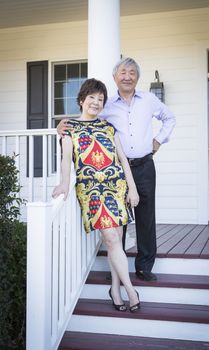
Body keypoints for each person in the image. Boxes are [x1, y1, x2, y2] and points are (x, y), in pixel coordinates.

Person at [57, 57, 176, 281]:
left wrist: (159, 139)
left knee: (146, 216)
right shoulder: (106, 104)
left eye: (132, 73)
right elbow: (87, 123)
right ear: (115, 77)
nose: (127, 77)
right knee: (116, 218)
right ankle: (118, 269)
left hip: (144, 165)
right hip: (116, 171)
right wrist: (62, 128)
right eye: (123, 72)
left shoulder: (149, 99)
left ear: (137, 77)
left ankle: (144, 266)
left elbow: (169, 118)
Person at [52, 78, 140, 312]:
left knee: (116, 242)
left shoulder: (108, 127)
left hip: (116, 186)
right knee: (111, 238)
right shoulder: (69, 128)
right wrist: (63, 183)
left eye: (100, 99)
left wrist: (132, 188)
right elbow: (66, 159)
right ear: (81, 100)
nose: (96, 102)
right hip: (91, 190)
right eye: (92, 97)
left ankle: (115, 288)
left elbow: (122, 159)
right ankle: (131, 290)